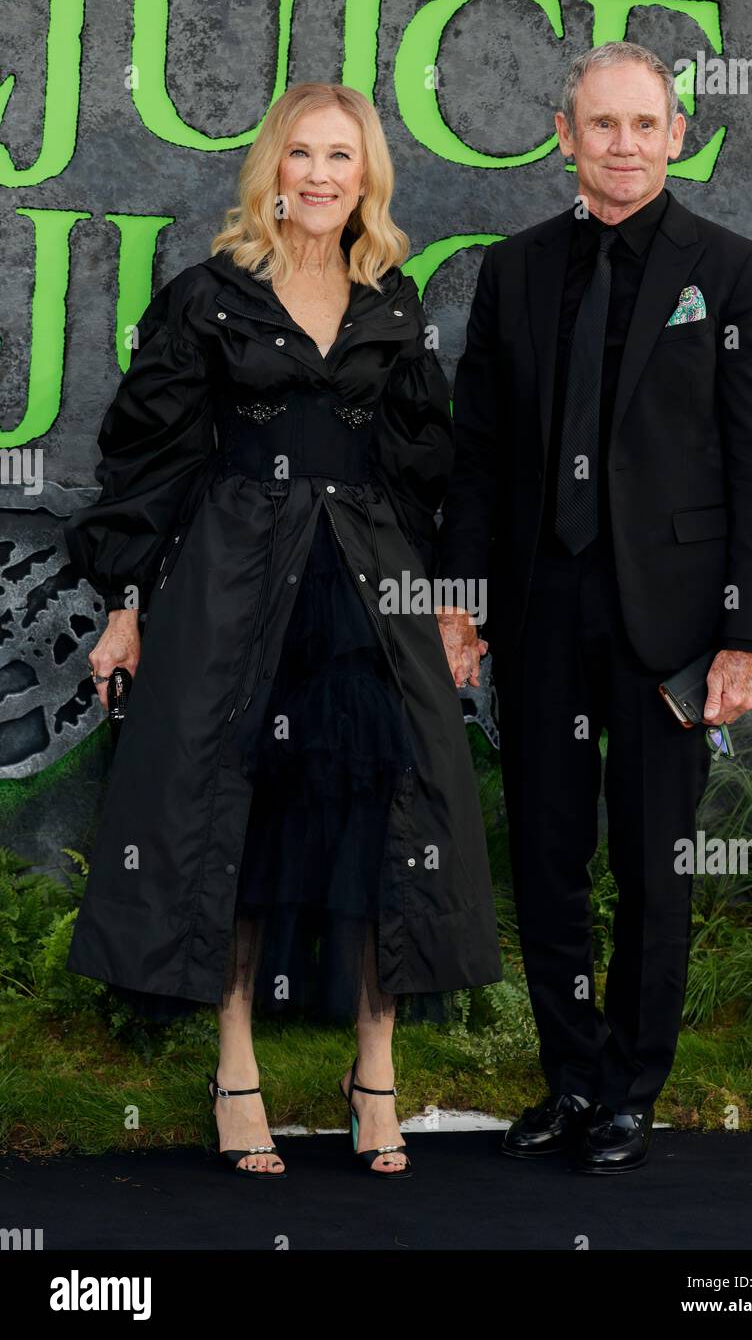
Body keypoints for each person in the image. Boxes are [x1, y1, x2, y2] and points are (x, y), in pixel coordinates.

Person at [63, 81, 502, 1179]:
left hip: (364, 591)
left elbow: (427, 474)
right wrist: (124, 609)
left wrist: (452, 602)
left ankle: (374, 1077)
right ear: (271, 168)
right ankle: (235, 1070)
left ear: (367, 179)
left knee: (387, 820)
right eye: (300, 154)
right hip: (230, 585)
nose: (318, 175)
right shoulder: (207, 297)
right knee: (233, 823)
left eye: (339, 158)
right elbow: (148, 459)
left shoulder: (393, 305)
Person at [436, 41, 752, 1173]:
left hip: (674, 624)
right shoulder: (515, 270)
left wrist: (746, 634)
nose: (623, 146)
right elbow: (479, 457)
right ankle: (570, 1077)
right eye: (601, 126)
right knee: (543, 855)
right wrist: (459, 603)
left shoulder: (732, 272)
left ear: (677, 135)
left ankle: (635, 1087)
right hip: (541, 610)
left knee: (651, 861)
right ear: (563, 135)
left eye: (644, 126)